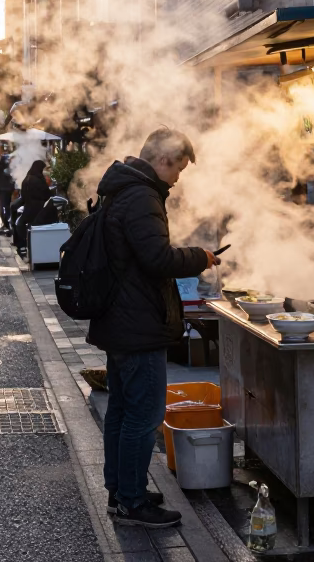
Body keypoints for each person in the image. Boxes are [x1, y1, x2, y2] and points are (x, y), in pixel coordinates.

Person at [88, 128, 219, 529]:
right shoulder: (143, 196)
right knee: (143, 416)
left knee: (123, 411)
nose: (179, 177)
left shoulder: (123, 188)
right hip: (138, 323)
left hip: (120, 319)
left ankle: (121, 491)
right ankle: (131, 501)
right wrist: (201, 256)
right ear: (163, 159)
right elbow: (157, 259)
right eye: (179, 167)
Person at [14, 159, 51, 255]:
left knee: (20, 224)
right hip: (40, 209)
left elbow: (23, 195)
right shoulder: (39, 180)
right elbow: (47, 195)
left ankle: (22, 245)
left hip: (29, 208)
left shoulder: (28, 178)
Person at [0, 154, 15, 235]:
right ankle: (8, 223)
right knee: (8, 207)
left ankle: (5, 223)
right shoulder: (11, 167)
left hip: (2, 189)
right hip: (9, 189)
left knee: (3, 207)